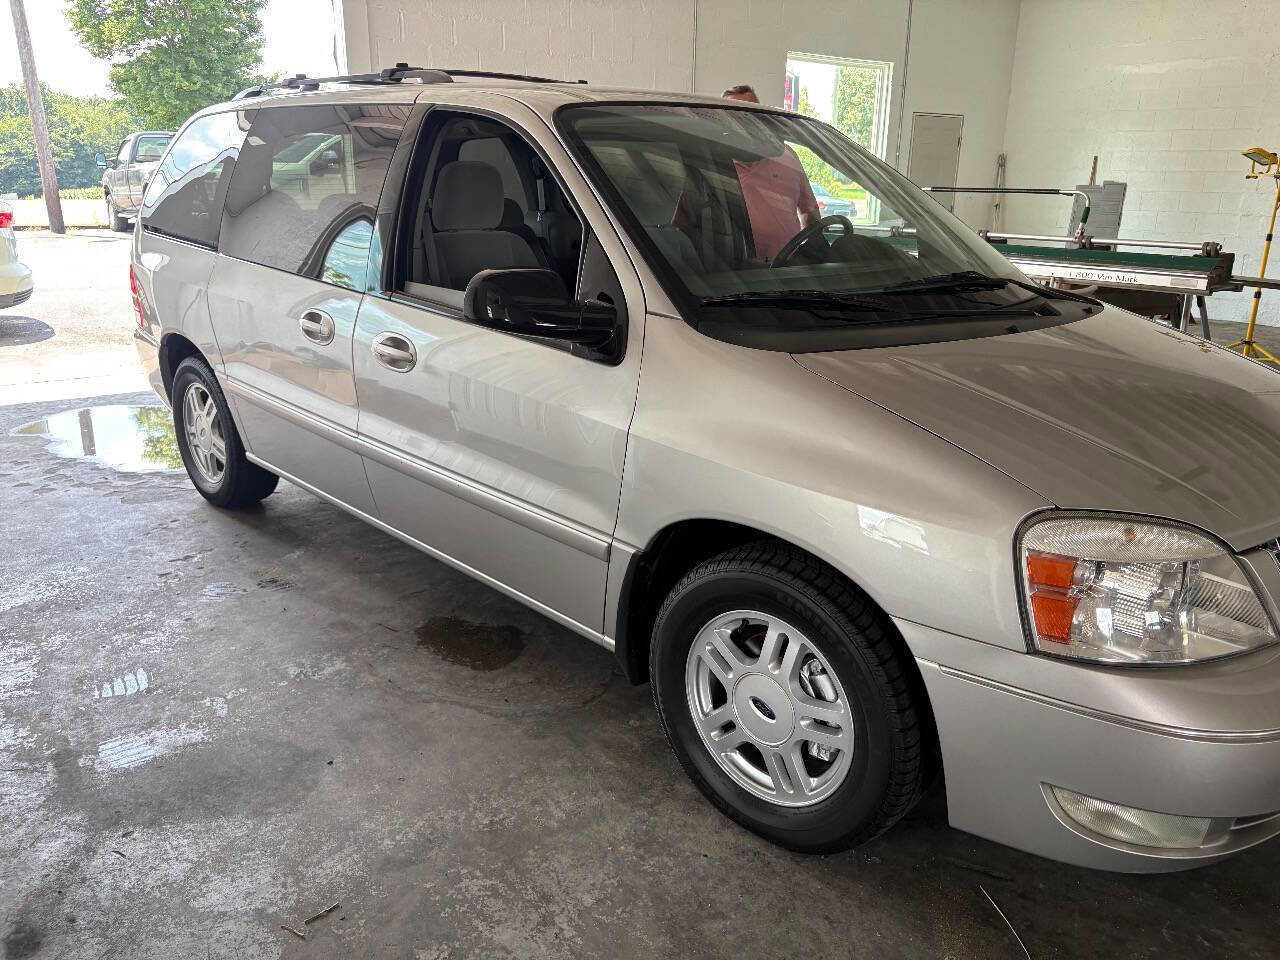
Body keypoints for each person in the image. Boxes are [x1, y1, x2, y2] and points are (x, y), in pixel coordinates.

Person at [721, 84, 821, 260]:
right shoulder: (712, 161)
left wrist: (812, 250)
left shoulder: (787, 154)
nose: (746, 121)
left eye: (752, 113)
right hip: (734, 275)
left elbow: (809, 211)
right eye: (737, 116)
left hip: (787, 270)